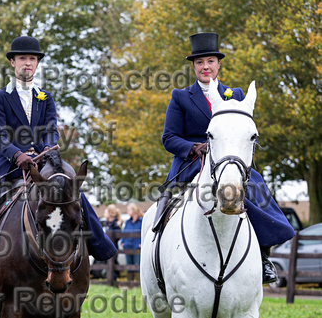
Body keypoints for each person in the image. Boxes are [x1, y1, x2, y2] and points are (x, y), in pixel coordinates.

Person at [156, 32, 295, 283]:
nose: (205, 66)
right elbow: (169, 137)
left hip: (229, 161)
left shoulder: (236, 94)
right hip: (192, 164)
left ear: (218, 64)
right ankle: (157, 249)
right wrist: (193, 148)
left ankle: (263, 257)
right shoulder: (180, 97)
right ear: (194, 67)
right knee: (166, 204)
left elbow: (243, 132)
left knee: (256, 186)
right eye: (200, 62)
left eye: (210, 61)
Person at [0, 36, 118, 280]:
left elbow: (51, 129)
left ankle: (100, 246)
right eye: (23, 58)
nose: (28, 63)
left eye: (32, 59)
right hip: (9, 170)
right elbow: (0, 136)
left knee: (75, 195)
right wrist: (19, 156)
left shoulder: (45, 97)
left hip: (44, 167)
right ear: (13, 62)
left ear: (37, 64)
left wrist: (47, 150)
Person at [121, 203, 142, 279]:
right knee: (129, 265)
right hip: (128, 246)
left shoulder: (141, 221)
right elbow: (124, 232)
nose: (127, 211)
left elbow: (144, 233)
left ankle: (137, 283)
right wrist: (123, 242)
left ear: (134, 210)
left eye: (129, 210)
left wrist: (141, 243)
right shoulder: (127, 222)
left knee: (137, 265)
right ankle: (129, 282)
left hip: (137, 246)